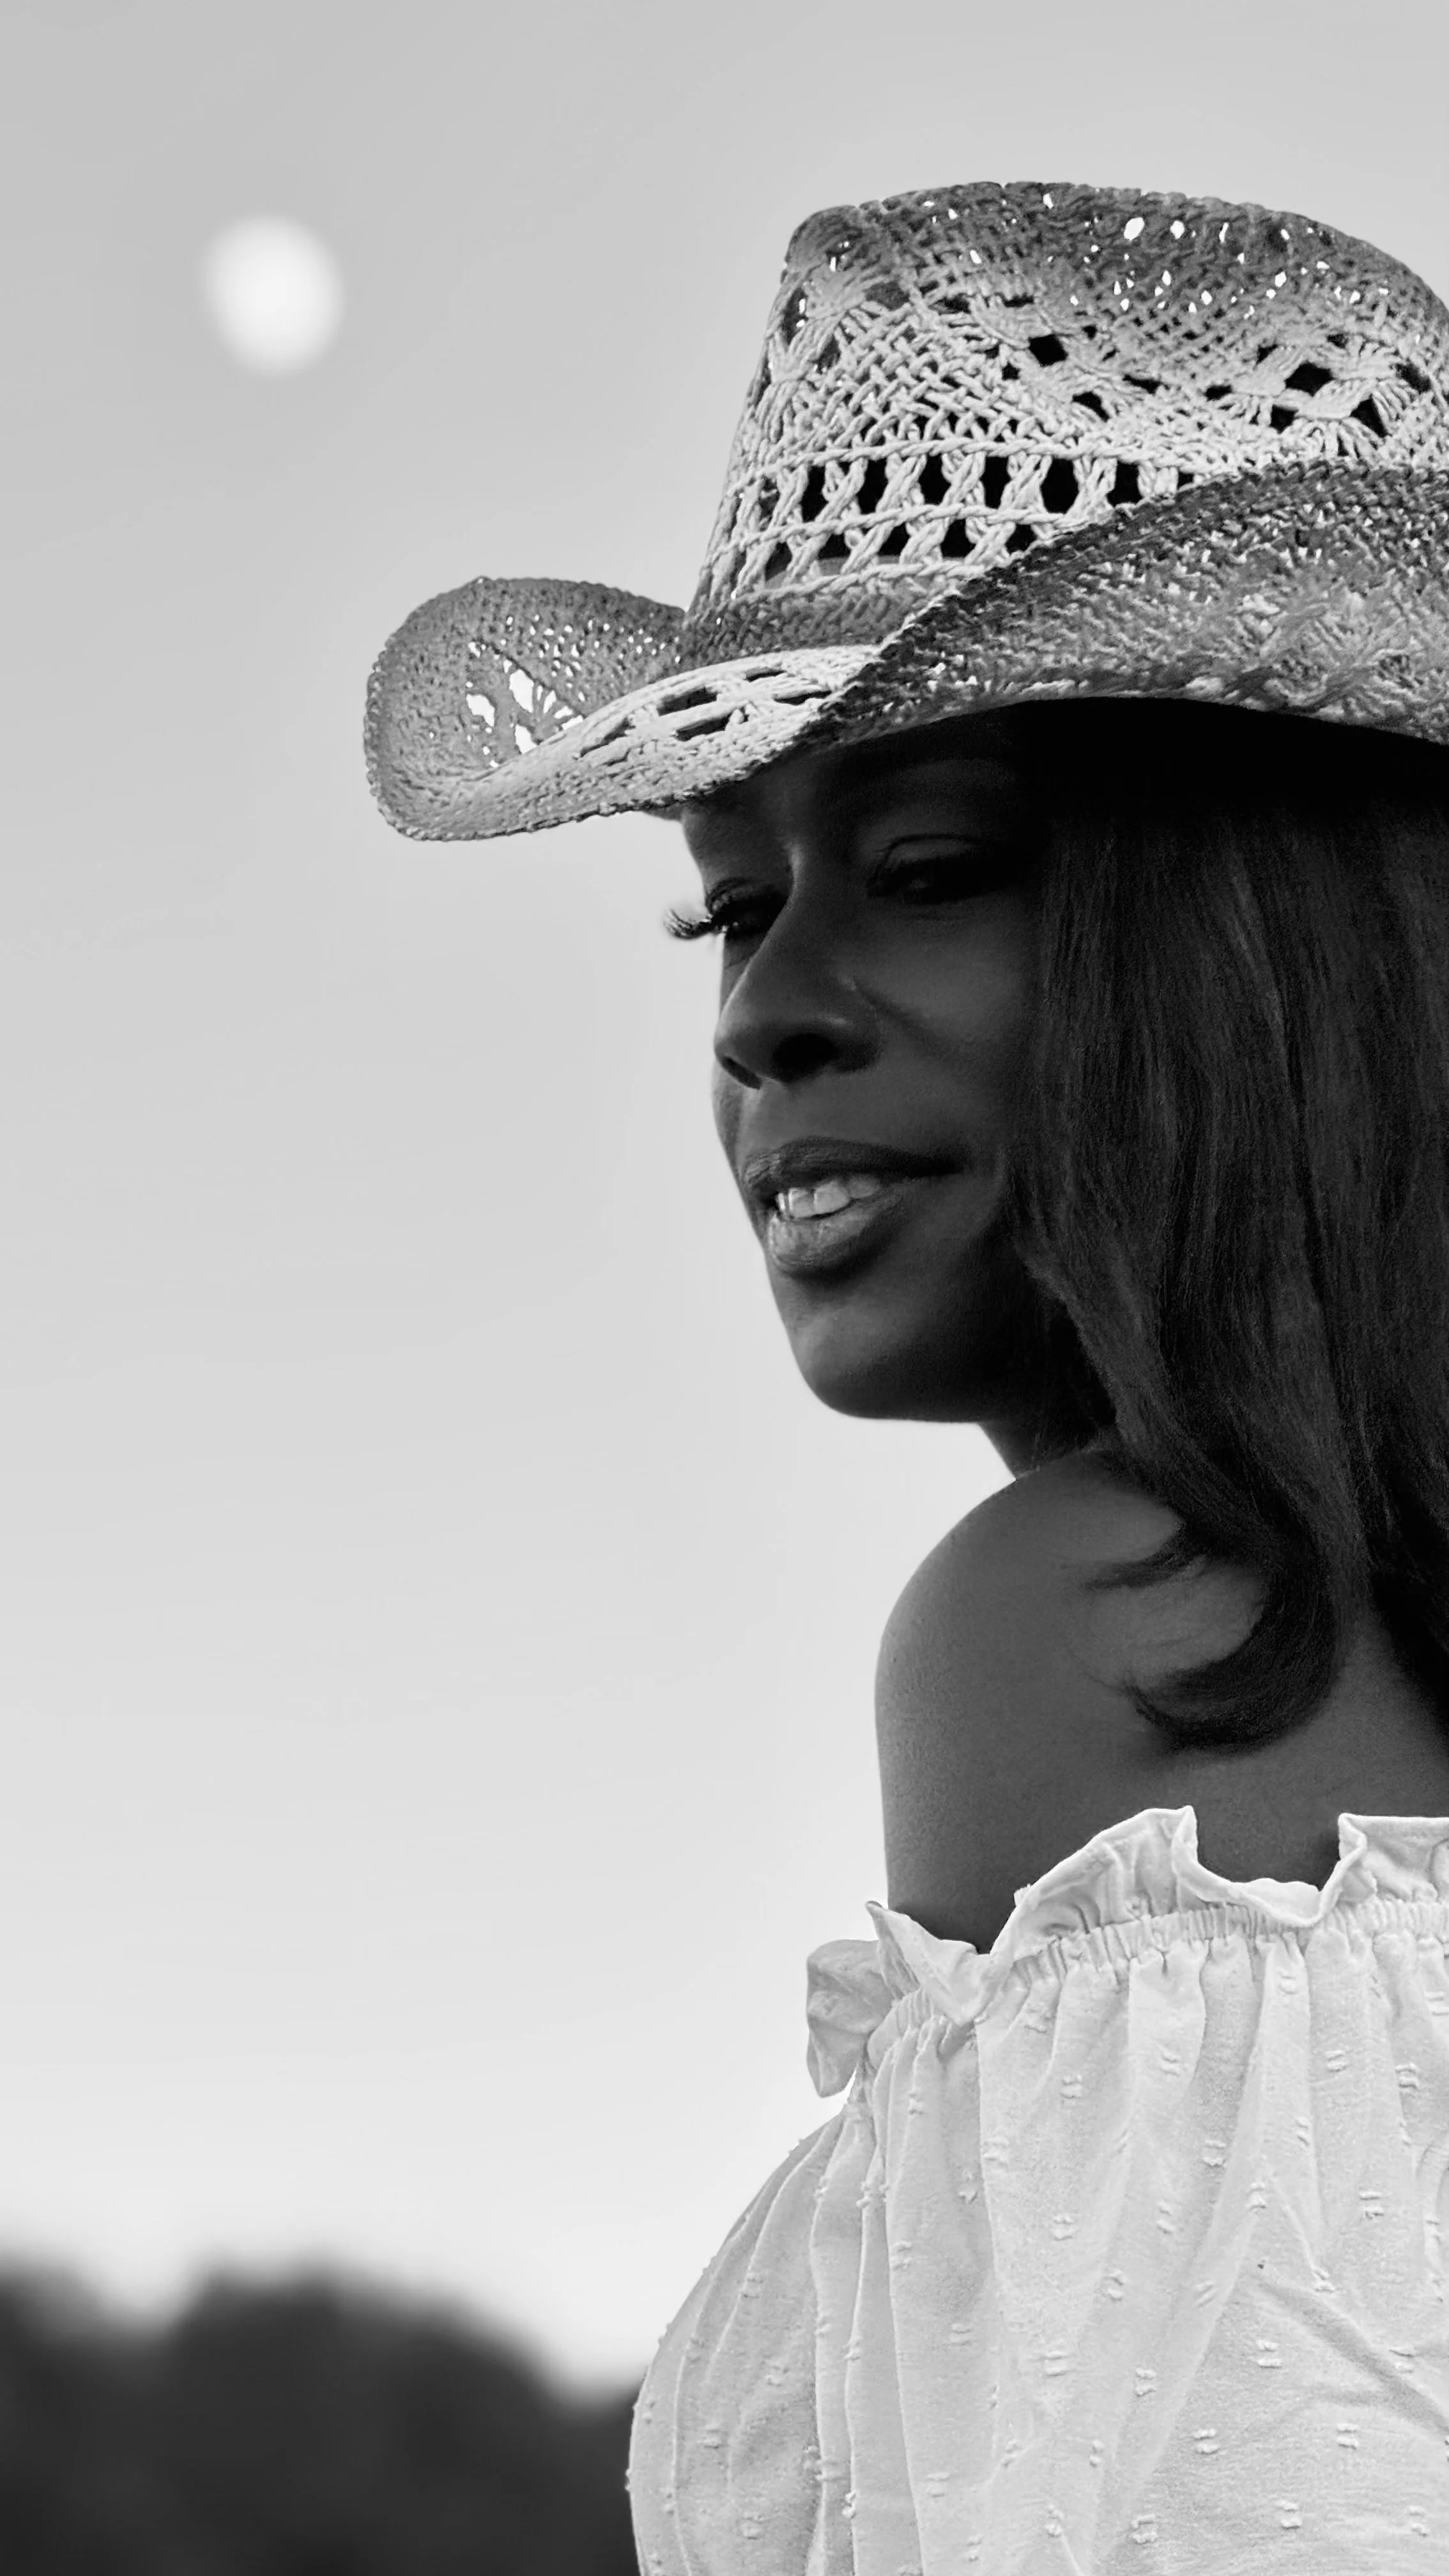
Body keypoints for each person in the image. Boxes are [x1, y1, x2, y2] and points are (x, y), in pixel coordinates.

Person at [365, 180, 1449, 2572]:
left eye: (934, 865)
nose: (764, 1012)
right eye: (730, 900)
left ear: (1277, 937)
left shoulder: (1114, 1633)